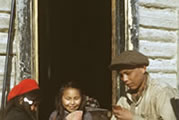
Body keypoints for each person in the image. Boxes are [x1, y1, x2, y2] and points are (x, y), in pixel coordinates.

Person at [109, 50, 179, 120]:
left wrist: (133, 118)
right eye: (121, 75)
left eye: (128, 73)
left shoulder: (161, 93)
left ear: (143, 68)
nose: (124, 79)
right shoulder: (125, 99)